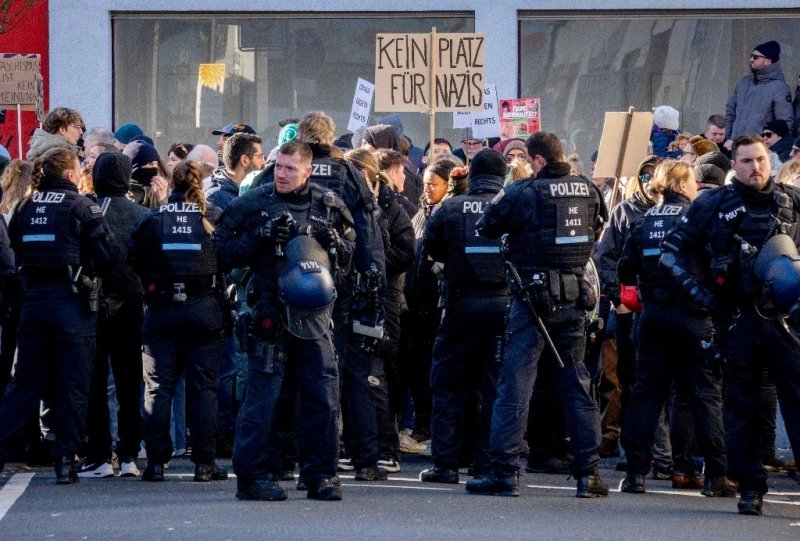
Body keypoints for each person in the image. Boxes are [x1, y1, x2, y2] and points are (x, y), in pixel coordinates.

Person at [660, 134, 800, 515]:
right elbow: (672, 253)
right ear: (733, 165)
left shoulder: (789, 199)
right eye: (747, 161)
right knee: (741, 407)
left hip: (786, 319)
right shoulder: (714, 203)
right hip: (738, 319)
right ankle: (751, 488)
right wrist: (703, 299)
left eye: (760, 160)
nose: (756, 168)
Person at [468, 132, 609, 498]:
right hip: (574, 298)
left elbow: (486, 226)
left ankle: (504, 472)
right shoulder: (588, 190)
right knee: (575, 384)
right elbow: (595, 231)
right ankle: (588, 475)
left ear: (538, 160)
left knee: (515, 385)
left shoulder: (524, 192)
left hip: (532, 301)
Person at [249, 111, 388, 480]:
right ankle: (360, 462)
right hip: (332, 291)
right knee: (332, 379)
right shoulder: (350, 175)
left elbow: (246, 216)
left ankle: (281, 461)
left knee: (281, 380)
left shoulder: (276, 171)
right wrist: (374, 289)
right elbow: (369, 236)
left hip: (280, 289)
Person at [215, 140, 355, 501]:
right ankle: (252, 476)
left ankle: (321, 475)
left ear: (307, 171)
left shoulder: (328, 205)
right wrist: (257, 239)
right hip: (271, 313)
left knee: (322, 397)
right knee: (263, 400)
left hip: (315, 317)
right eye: (279, 166)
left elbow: (352, 256)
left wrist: (334, 242)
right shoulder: (254, 202)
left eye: (291, 169)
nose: (282, 173)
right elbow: (220, 251)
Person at [617, 160, 735, 498]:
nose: (698, 187)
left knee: (646, 396)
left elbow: (625, 270)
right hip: (692, 316)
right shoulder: (697, 219)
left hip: (653, 316)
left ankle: (636, 475)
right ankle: (715, 476)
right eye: (693, 183)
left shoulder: (642, 221)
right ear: (683, 185)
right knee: (705, 394)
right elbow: (719, 264)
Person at [0, 147, 117, 482]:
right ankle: (65, 460)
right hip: (72, 303)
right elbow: (107, 254)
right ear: (69, 175)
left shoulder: (25, 206)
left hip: (33, 303)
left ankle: (4, 450)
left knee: (24, 383)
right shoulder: (81, 206)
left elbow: (14, 247)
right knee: (73, 385)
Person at [129, 160, 228, 483]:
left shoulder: (153, 219)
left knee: (158, 388)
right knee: (204, 389)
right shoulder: (211, 216)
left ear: (171, 184)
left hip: (161, 309)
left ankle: (156, 463)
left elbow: (135, 259)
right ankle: (204, 464)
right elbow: (227, 257)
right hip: (204, 308)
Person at [418, 149, 509, 484]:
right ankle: (486, 463)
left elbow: (430, 250)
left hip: (459, 305)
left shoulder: (450, 208)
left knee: (447, 383)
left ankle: (446, 463)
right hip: (503, 305)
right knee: (495, 387)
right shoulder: (511, 205)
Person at [77, 152, 150, 479]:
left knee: (95, 380)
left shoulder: (92, 211)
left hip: (96, 301)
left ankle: (100, 455)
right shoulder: (143, 214)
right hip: (134, 302)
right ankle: (130, 454)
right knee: (130, 379)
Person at [724, 41, 793, 149]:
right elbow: (730, 112)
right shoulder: (744, 82)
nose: (751, 59)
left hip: (758, 150)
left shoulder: (779, 88)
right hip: (734, 147)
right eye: (751, 56)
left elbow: (784, 124)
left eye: (755, 57)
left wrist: (769, 149)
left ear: (767, 61)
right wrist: (728, 138)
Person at [205, 133, 265, 211]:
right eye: (260, 156)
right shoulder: (216, 198)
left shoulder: (257, 186)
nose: (264, 162)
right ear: (244, 160)